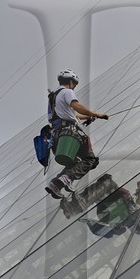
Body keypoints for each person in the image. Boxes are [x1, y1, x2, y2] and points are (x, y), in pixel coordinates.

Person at [44, 70, 109, 200]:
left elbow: (74, 115)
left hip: (57, 137)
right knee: (90, 160)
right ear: (71, 82)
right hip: (69, 135)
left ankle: (56, 184)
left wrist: (90, 116)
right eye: (74, 84)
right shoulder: (67, 92)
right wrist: (95, 113)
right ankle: (66, 179)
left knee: (75, 162)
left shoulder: (53, 97)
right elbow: (76, 106)